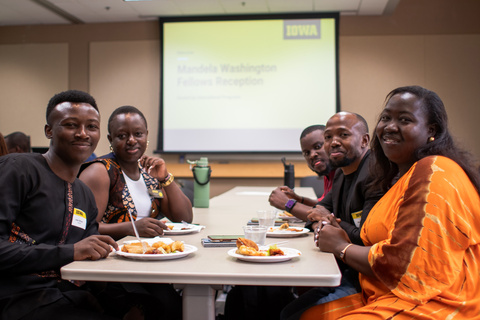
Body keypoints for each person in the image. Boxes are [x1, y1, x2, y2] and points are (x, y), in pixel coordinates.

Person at [300, 85, 480, 319]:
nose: (389, 127)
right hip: (383, 291)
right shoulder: (400, 178)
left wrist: (341, 247)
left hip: (436, 302)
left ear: (431, 130)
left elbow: (406, 266)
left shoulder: (435, 170)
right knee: (303, 314)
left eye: (404, 119)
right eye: (385, 118)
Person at [0, 90, 119, 320]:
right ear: (49, 131)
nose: (83, 134)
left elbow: (92, 252)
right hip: (16, 298)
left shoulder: (83, 193)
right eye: (71, 125)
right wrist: (70, 252)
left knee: (153, 304)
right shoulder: (18, 169)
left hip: (65, 294)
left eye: (91, 127)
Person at [79, 105, 193, 320]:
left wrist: (165, 178)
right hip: (111, 269)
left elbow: (185, 218)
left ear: (146, 136)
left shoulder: (148, 172)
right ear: (110, 139)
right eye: (122, 135)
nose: (131, 140)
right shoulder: (100, 171)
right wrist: (132, 228)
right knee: (164, 305)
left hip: (145, 263)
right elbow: (84, 230)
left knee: (174, 303)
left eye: (138, 134)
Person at [280, 112, 384, 320]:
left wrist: (329, 221)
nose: (334, 143)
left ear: (364, 140)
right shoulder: (341, 173)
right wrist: (325, 220)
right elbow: (317, 212)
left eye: (343, 135)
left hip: (368, 282)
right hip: (345, 270)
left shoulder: (375, 174)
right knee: (286, 311)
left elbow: (364, 239)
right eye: (328, 137)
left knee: (294, 316)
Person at [269, 125, 335, 221]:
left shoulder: (342, 174)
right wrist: (298, 199)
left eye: (318, 147)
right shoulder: (328, 174)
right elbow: (322, 206)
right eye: (306, 153)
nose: (312, 155)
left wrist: (288, 203)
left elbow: (326, 217)